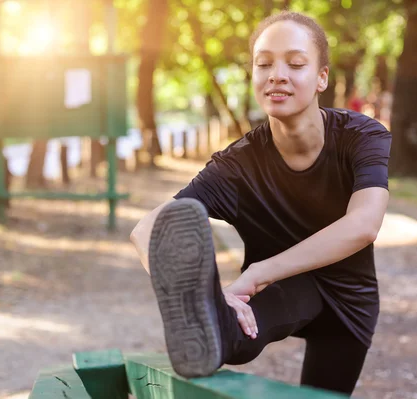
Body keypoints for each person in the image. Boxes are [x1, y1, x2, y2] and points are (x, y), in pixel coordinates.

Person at [130, 10, 391, 397]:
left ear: (322, 77)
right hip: (285, 291)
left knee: (325, 395)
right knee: (231, 335)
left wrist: (258, 273)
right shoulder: (238, 164)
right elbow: (146, 230)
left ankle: (216, 318)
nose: (277, 74)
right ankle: (211, 323)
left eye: (296, 63)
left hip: (349, 301)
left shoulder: (361, 136)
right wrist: (204, 297)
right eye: (264, 63)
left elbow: (364, 225)